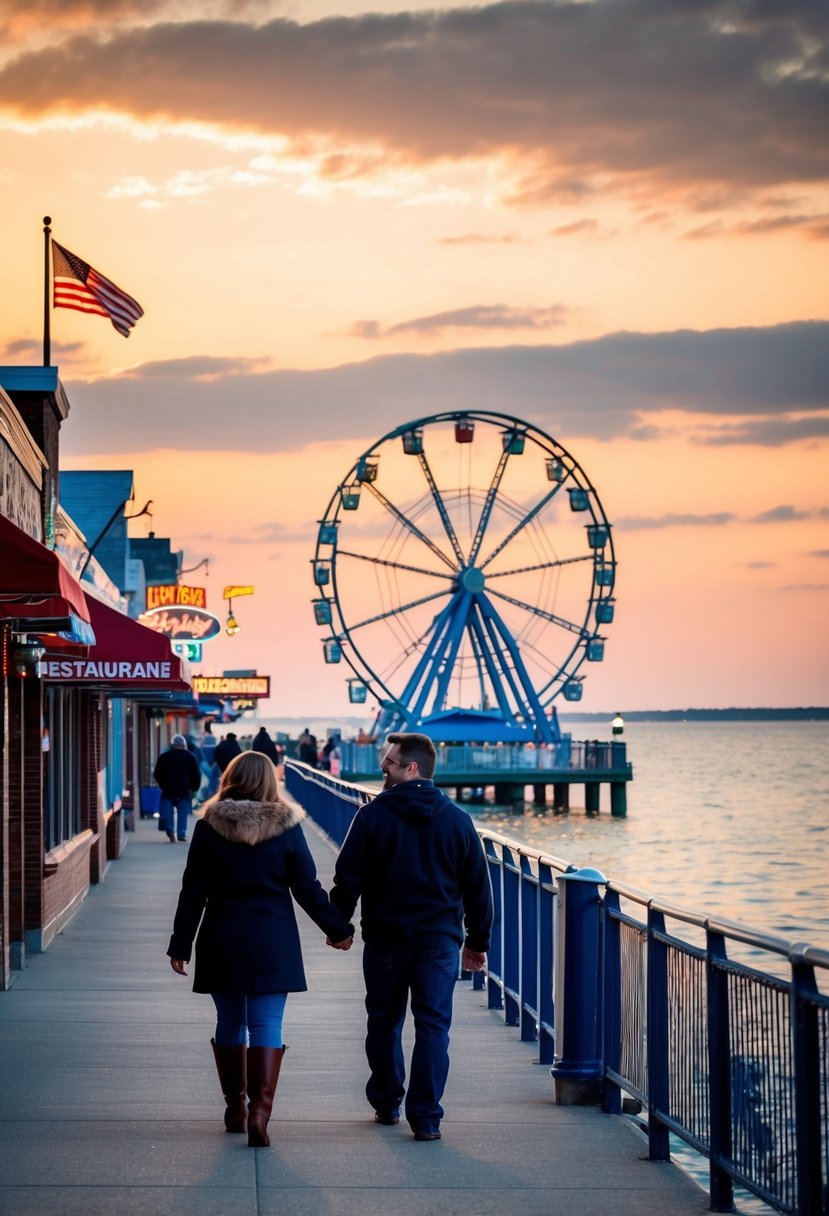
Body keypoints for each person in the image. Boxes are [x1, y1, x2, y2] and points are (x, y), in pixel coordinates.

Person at [167, 751, 354, 1147]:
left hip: (222, 936)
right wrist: (338, 929)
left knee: (231, 1022)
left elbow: (193, 892)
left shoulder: (209, 826)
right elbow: (307, 888)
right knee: (267, 1024)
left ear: (230, 778)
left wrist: (180, 944)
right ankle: (259, 1114)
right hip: (273, 941)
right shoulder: (286, 828)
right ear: (269, 782)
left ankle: (234, 1107)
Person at [329, 731, 493, 1142]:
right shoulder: (458, 821)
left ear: (411, 767)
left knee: (383, 1023)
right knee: (434, 1028)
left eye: (390, 760)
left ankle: (387, 1102)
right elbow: (478, 888)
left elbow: (347, 878)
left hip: (385, 940)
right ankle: (427, 1118)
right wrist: (477, 942)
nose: (382, 765)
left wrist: (340, 926)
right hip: (439, 943)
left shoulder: (371, 817)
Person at [154, 734, 202, 843]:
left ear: (172, 745)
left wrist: (162, 784)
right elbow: (196, 774)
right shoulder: (190, 756)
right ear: (184, 745)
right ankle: (181, 833)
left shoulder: (164, 757)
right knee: (182, 813)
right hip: (184, 790)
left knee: (167, 812)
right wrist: (194, 787)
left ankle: (170, 831)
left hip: (168, 790)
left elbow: (157, 773)